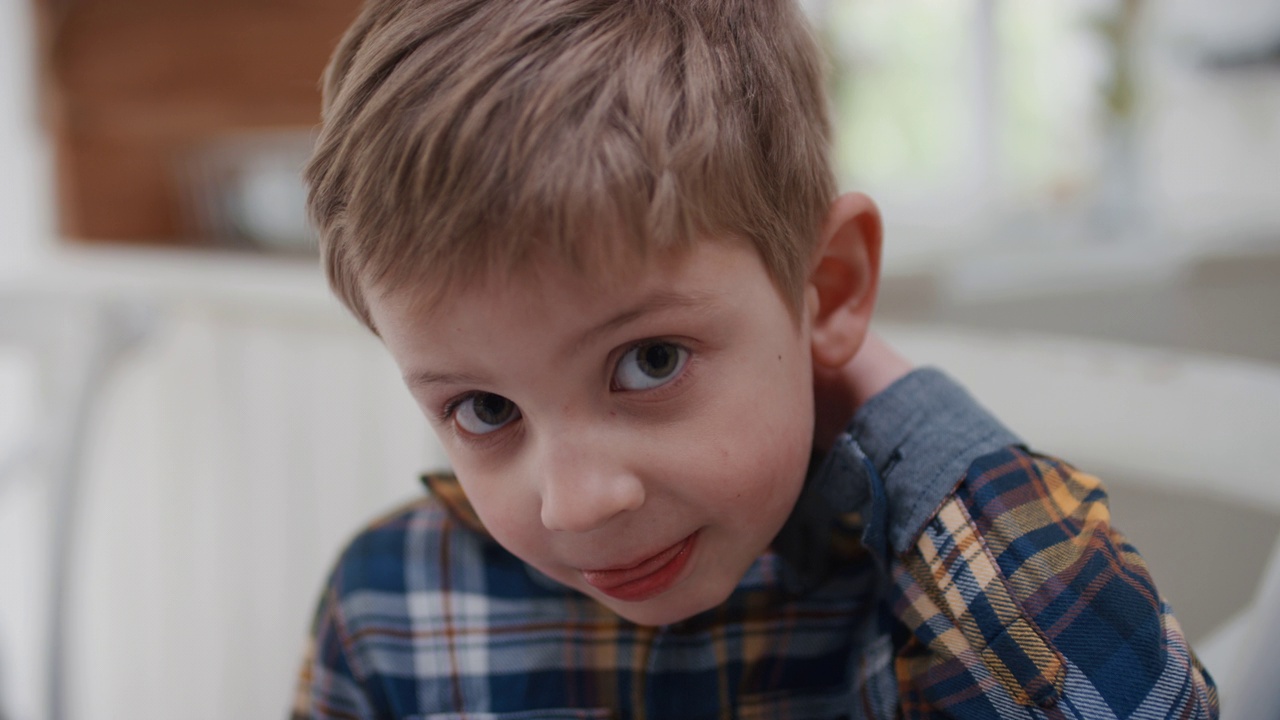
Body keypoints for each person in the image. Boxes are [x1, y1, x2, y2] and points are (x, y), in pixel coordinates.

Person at [290, 1, 1218, 717]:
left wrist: (876, 397)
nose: (575, 504)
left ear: (836, 283)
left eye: (650, 361)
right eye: (485, 411)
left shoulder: (932, 597)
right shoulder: (386, 607)